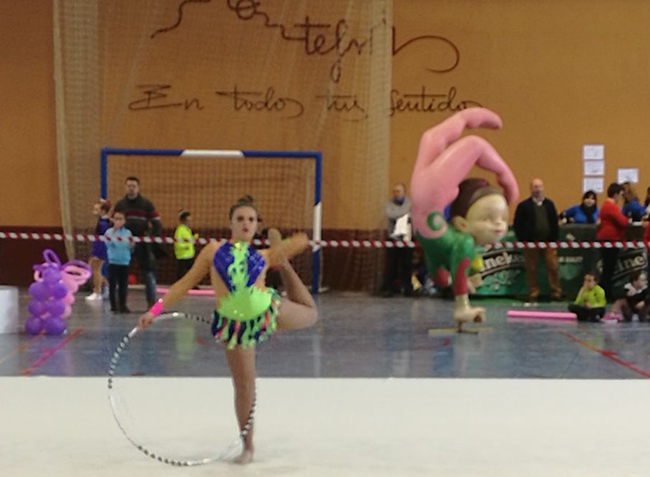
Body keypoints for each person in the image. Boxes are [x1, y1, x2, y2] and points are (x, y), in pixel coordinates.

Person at [137, 196, 317, 464]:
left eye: (251, 220)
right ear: (230, 223)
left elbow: (303, 241)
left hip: (266, 310)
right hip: (235, 325)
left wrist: (280, 250)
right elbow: (184, 284)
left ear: (257, 226)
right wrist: (153, 311)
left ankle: (285, 267)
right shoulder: (213, 250)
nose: (246, 224)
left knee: (311, 314)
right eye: (240, 219)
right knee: (245, 385)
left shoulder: (262, 255)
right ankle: (248, 446)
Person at [408, 107, 519, 326]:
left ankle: (466, 117)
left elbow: (440, 275)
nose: (498, 225)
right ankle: (462, 307)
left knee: (431, 138)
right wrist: (508, 184)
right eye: (489, 219)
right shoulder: (463, 241)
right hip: (426, 202)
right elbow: (450, 271)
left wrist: (448, 281)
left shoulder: (446, 238)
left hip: (423, 209)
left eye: (502, 219)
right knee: (474, 144)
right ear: (461, 223)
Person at [113, 176, 162, 308]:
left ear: (138, 188)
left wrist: (150, 238)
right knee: (121, 272)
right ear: (125, 187)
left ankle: (151, 303)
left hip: (143, 243)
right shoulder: (120, 205)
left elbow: (157, 223)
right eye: (129, 185)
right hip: (124, 243)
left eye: (133, 186)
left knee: (148, 272)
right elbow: (114, 223)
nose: (131, 188)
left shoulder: (146, 204)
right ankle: (121, 303)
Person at [513, 178, 562, 302]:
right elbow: (517, 224)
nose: (538, 189)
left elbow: (554, 223)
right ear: (531, 189)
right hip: (530, 243)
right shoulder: (523, 206)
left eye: (540, 186)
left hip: (548, 243)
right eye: (535, 187)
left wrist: (554, 239)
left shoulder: (549, 204)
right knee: (531, 268)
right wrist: (523, 239)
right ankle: (533, 292)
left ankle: (556, 292)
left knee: (552, 267)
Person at [597, 183, 627, 302]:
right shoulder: (611, 206)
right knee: (608, 268)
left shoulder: (606, 205)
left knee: (608, 267)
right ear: (615, 194)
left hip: (608, 239)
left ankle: (605, 291)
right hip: (610, 240)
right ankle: (605, 292)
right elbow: (622, 221)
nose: (620, 198)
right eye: (620, 195)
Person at [381, 183, 413, 297]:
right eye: (394, 191)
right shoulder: (388, 204)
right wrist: (405, 212)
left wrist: (405, 212)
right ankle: (389, 288)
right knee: (391, 264)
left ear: (404, 192)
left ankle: (408, 289)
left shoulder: (410, 202)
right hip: (392, 237)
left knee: (407, 264)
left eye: (399, 191)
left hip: (407, 238)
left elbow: (412, 216)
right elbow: (391, 214)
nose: (396, 194)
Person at [105, 211, 134, 313]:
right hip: (113, 262)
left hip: (124, 262)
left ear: (124, 221)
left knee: (123, 285)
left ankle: (123, 305)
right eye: (116, 218)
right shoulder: (108, 232)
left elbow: (129, 246)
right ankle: (113, 306)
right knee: (112, 285)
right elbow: (109, 244)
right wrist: (114, 231)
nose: (118, 221)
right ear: (112, 220)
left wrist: (132, 245)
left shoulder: (128, 233)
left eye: (120, 219)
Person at [86, 199, 111, 301]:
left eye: (97, 209)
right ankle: (108, 286)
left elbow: (105, 235)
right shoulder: (101, 221)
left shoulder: (103, 223)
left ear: (103, 211)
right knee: (91, 268)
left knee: (96, 270)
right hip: (97, 245)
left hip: (100, 247)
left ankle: (97, 291)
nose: (94, 211)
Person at [174, 209, 198, 280]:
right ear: (183, 221)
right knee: (181, 273)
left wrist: (195, 237)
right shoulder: (180, 230)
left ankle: (192, 284)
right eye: (188, 221)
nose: (190, 223)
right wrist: (186, 247)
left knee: (192, 272)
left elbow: (190, 240)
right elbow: (178, 243)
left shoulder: (188, 230)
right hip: (183, 255)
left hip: (189, 255)